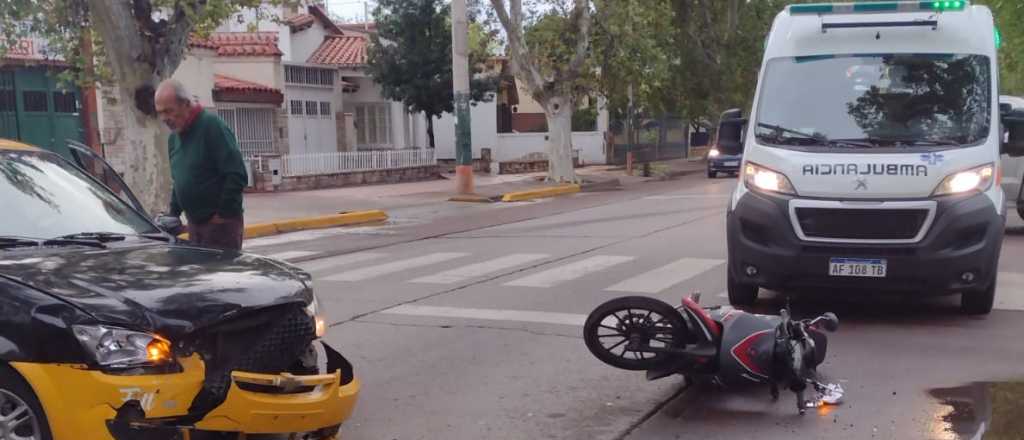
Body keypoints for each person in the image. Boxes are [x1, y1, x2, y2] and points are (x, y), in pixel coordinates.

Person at [154, 79, 248, 251]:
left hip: (220, 227)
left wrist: (222, 214)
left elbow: (237, 174)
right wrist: (173, 214)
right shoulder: (174, 138)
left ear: (186, 104)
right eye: (160, 113)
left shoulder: (211, 126)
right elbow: (180, 180)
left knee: (221, 276)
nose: (164, 118)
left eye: (169, 111)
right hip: (194, 226)